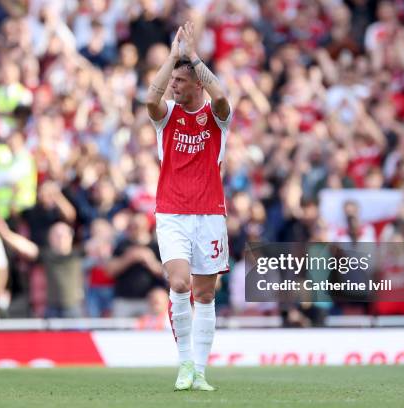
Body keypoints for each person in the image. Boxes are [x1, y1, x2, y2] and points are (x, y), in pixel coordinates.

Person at [146, 22, 232, 391]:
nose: (173, 86)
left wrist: (194, 57)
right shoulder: (166, 117)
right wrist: (172, 57)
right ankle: (183, 364)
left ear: (197, 83)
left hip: (210, 213)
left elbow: (223, 96)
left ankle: (200, 370)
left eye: (180, 81)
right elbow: (151, 98)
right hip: (172, 212)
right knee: (179, 282)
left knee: (206, 293)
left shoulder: (216, 117)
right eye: (173, 81)